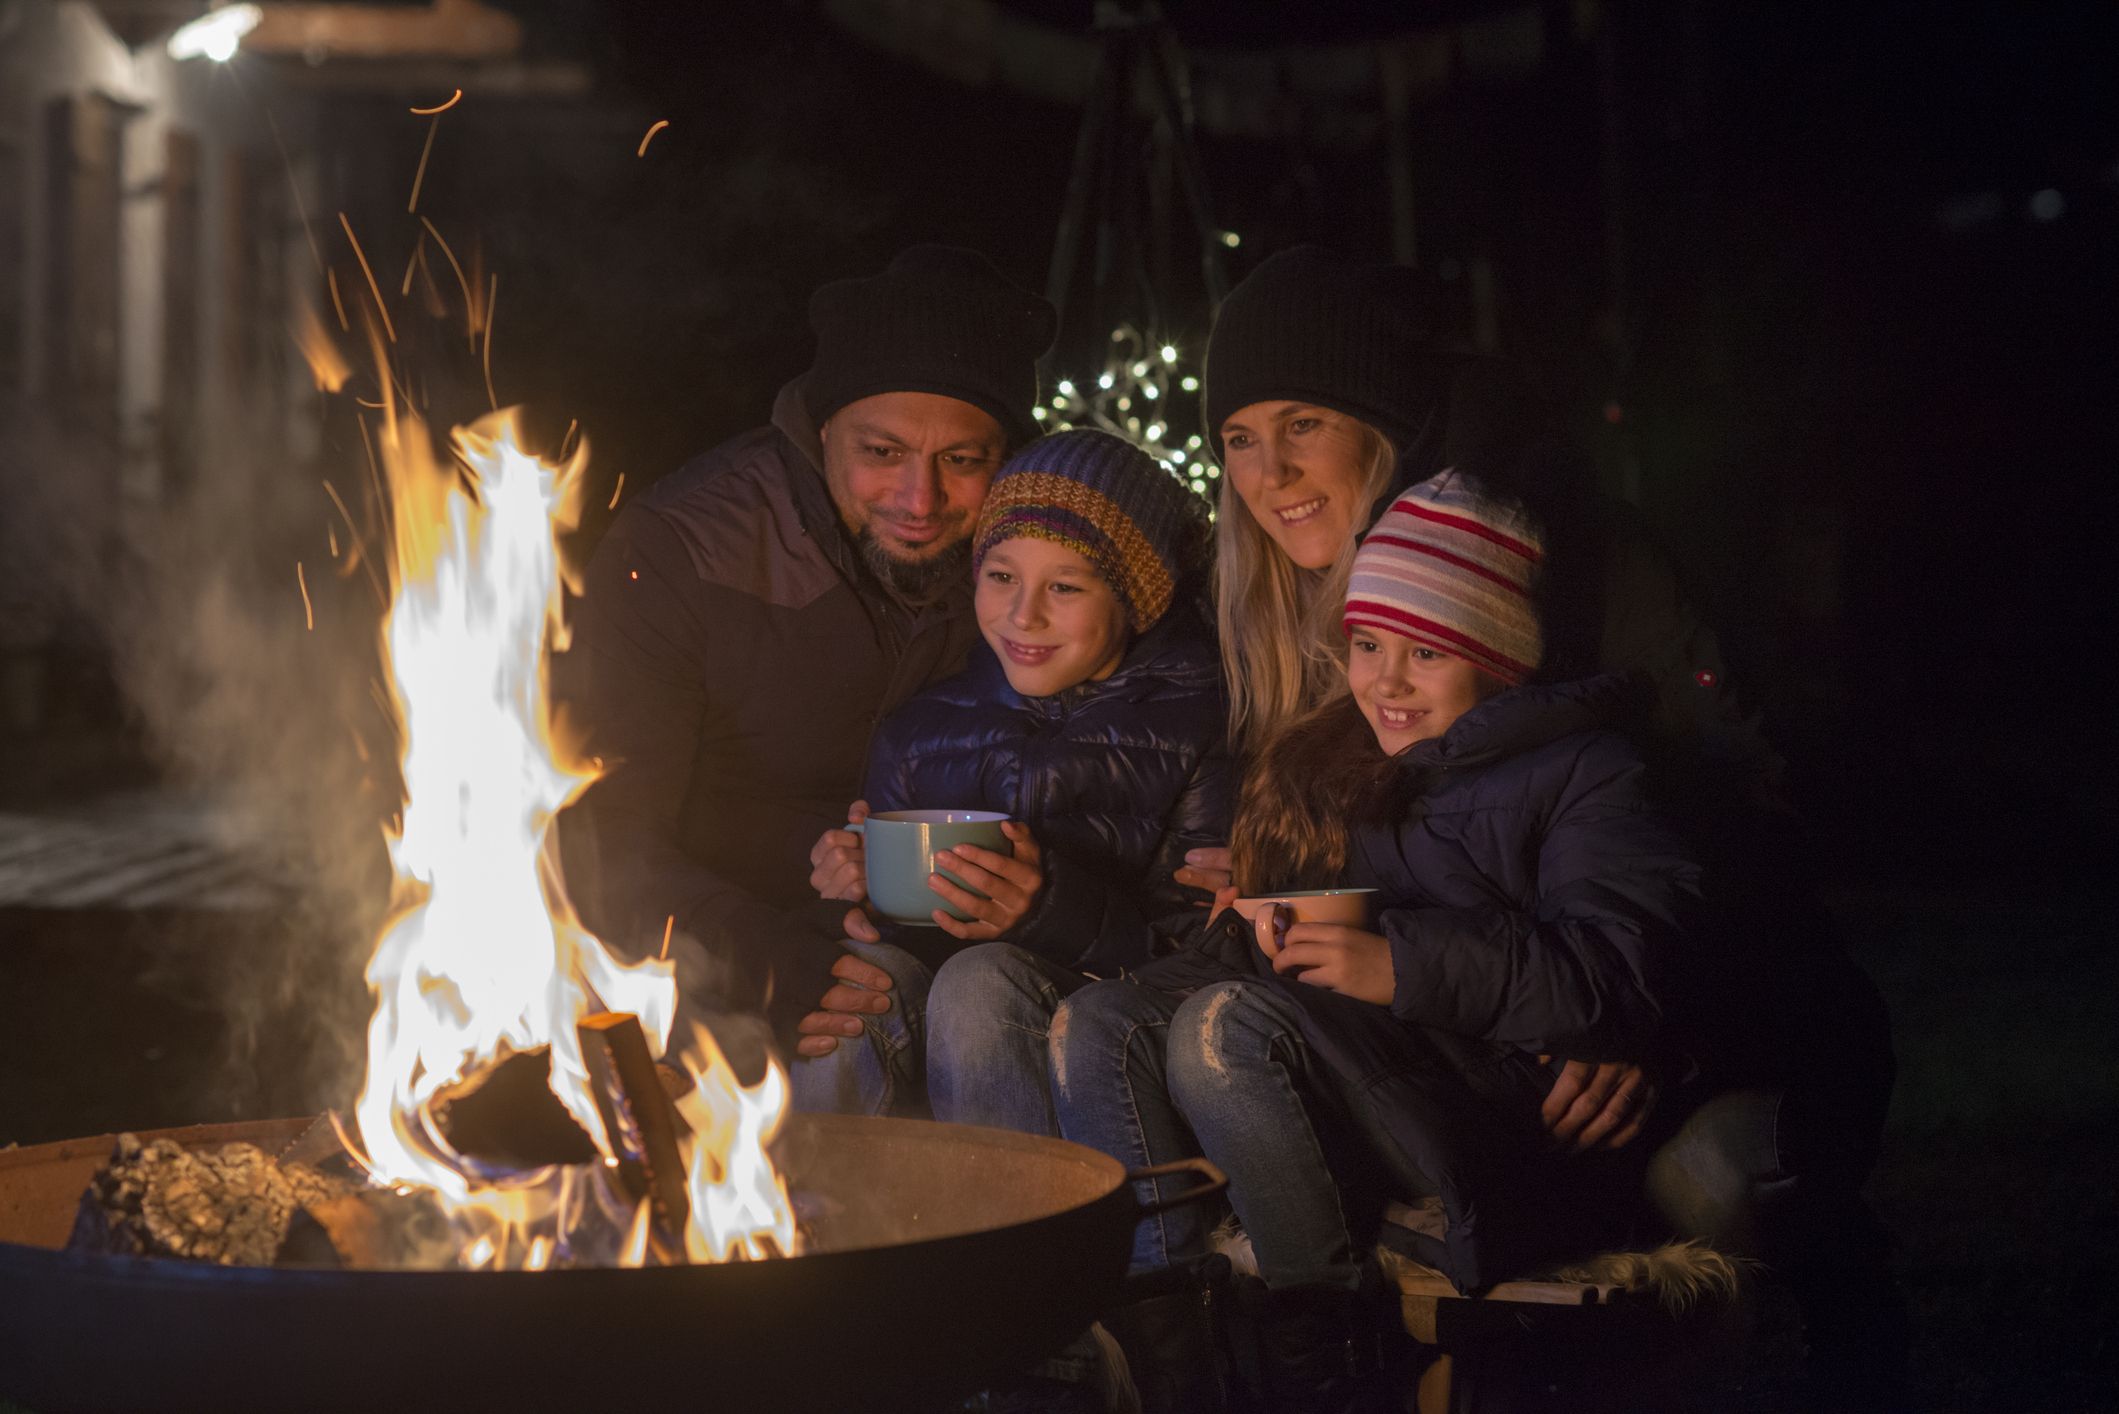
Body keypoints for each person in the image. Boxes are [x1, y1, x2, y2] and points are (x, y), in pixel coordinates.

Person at [1182, 245, 1901, 1405]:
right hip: (1486, 1025)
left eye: (1301, 422)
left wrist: (1644, 1022)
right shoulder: (1288, 609)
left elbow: (1729, 831)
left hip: (1704, 1003)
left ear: (1378, 419)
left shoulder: (1559, 559)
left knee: (1699, 1201)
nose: (1268, 473)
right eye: (1238, 439)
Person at [1052, 479, 1701, 1411]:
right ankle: (1176, 1370)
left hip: (1514, 1112)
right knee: (1102, 1017)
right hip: (1379, 1067)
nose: (1384, 681)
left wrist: (1396, 960)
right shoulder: (1347, 767)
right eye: (1365, 644)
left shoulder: (1590, 773)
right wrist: (1262, 925)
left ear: (1501, 658)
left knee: (1227, 1028)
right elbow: (1305, 952)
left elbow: (1617, 971)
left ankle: (1329, 1370)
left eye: (1426, 651)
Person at [555, 245, 1055, 1117]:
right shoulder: (685, 552)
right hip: (719, 950)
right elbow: (599, 836)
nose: (919, 496)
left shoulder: (1040, 557)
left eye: (963, 462)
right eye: (883, 451)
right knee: (851, 1028)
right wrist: (768, 961)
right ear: (822, 428)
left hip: (954, 955)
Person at [804, 426, 1231, 1137]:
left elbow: (1202, 953)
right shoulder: (920, 726)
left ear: (1137, 598)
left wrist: (1047, 910)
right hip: (941, 1023)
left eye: (1064, 586)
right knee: (855, 979)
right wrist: (849, 890)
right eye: (1001, 576)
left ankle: (1010, 1230)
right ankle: (820, 1226)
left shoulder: (1200, 726)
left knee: (981, 980)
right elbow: (893, 930)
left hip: (1104, 1031)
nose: (1021, 614)